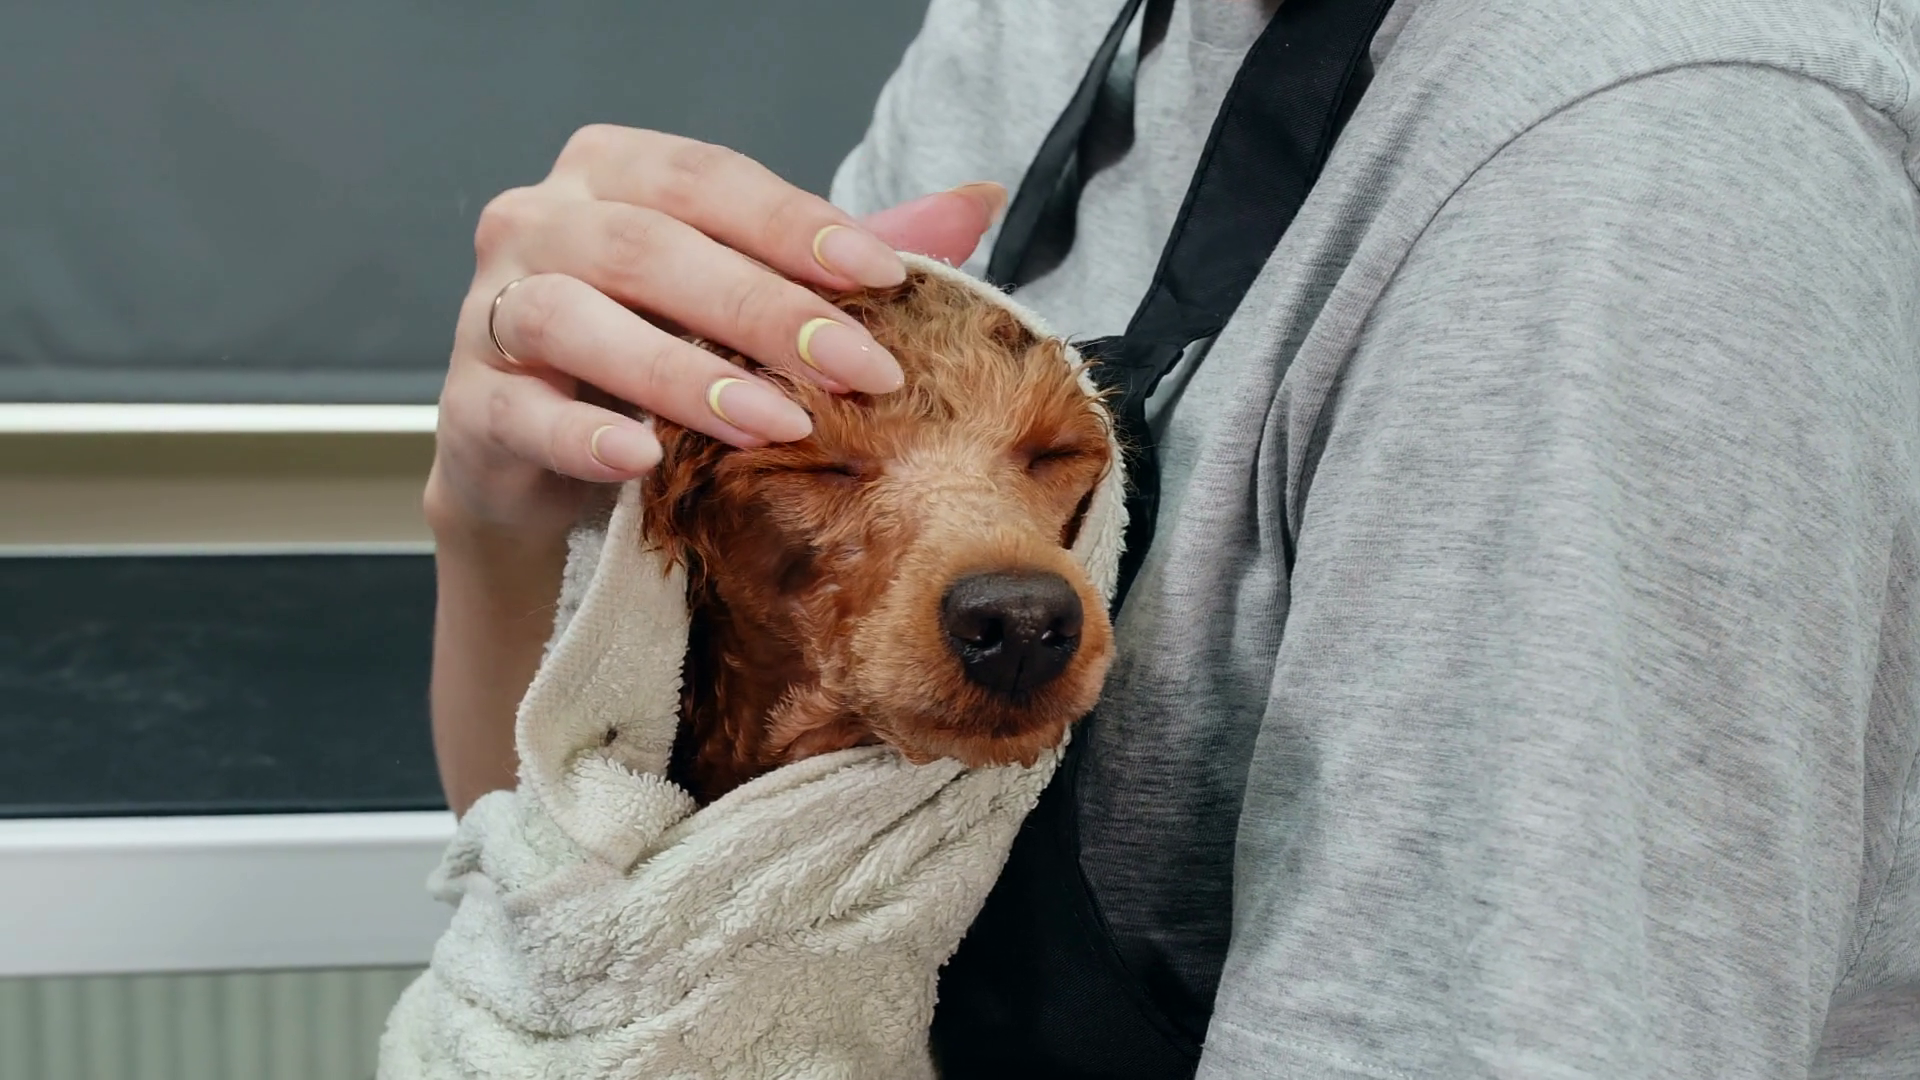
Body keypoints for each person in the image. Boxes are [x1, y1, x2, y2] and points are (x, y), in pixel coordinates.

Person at [422, 0, 1920, 1076]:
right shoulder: (1044, 30)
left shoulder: (1640, 159)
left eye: (1050, 463)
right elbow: (606, 898)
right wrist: (503, 529)